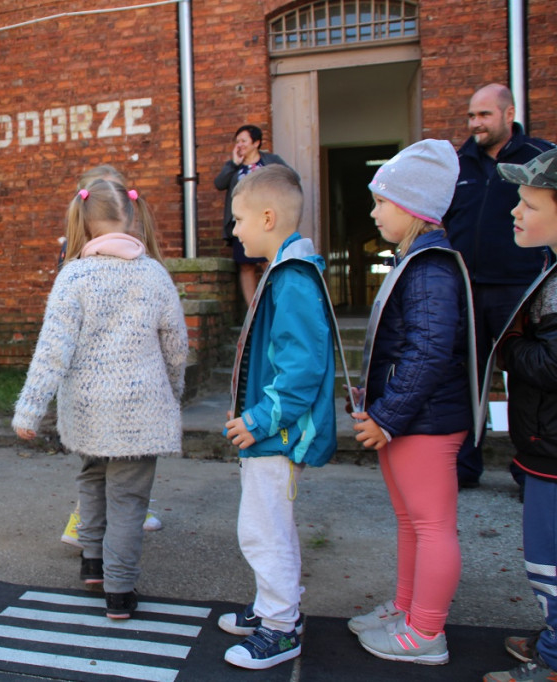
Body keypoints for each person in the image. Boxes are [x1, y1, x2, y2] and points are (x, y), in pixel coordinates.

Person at [13, 179, 188, 620]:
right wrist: (173, 390)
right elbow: (176, 346)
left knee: (92, 478)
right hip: (140, 410)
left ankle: (92, 563)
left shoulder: (73, 276)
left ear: (85, 224)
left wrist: (30, 408)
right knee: (129, 500)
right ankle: (120, 590)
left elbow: (52, 349)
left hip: (88, 410)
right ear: (131, 218)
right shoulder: (154, 274)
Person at [347, 140, 472, 666]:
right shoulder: (416, 262)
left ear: (413, 206)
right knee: (412, 521)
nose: (374, 212)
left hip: (424, 421)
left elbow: (429, 352)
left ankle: (425, 632)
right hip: (409, 419)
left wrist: (387, 417)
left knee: (431, 525)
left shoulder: (429, 268)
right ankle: (406, 609)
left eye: (382, 202)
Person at [218, 165, 336, 670]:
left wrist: (259, 420)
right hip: (270, 431)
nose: (234, 230)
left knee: (265, 532)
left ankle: (281, 627)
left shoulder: (291, 278)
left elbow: (301, 368)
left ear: (268, 218)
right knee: (267, 527)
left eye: (239, 219)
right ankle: (273, 606)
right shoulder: (283, 272)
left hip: (278, 435)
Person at [444, 84, 556, 490]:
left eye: (484, 115)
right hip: (467, 289)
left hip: (519, 289)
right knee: (465, 378)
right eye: (471, 115)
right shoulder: (458, 164)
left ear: (508, 115)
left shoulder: (538, 157)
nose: (475, 123)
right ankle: (464, 467)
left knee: (525, 379)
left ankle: (531, 470)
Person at [482, 148, 557, 682]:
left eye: (529, 204)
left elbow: (552, 362)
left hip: (552, 449)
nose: (515, 211)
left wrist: (508, 346)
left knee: (550, 559)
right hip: (544, 444)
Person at [58, 164, 163, 547]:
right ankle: (89, 528)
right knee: (98, 469)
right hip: (96, 386)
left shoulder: (142, 261)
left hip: (127, 382)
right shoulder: (76, 265)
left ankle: (102, 540)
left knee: (118, 469)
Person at [214, 125, 290, 307]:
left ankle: (276, 304)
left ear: (256, 143)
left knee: (268, 262)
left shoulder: (271, 161)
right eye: (237, 141)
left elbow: (291, 177)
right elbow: (219, 183)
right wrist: (234, 163)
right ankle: (252, 310)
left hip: (265, 221)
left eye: (244, 141)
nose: (239, 145)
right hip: (242, 223)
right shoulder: (234, 166)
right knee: (246, 265)